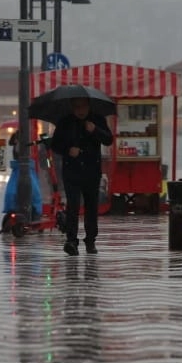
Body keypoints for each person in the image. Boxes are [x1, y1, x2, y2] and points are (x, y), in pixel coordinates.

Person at [49, 98, 113, 256]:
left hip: (92, 170)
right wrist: (68, 150)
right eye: (77, 107)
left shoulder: (97, 119)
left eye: (83, 106)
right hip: (72, 170)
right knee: (73, 206)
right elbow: (55, 144)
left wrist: (95, 130)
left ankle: (90, 240)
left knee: (91, 207)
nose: (80, 110)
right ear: (72, 107)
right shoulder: (65, 122)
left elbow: (108, 140)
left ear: (89, 106)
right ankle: (71, 240)